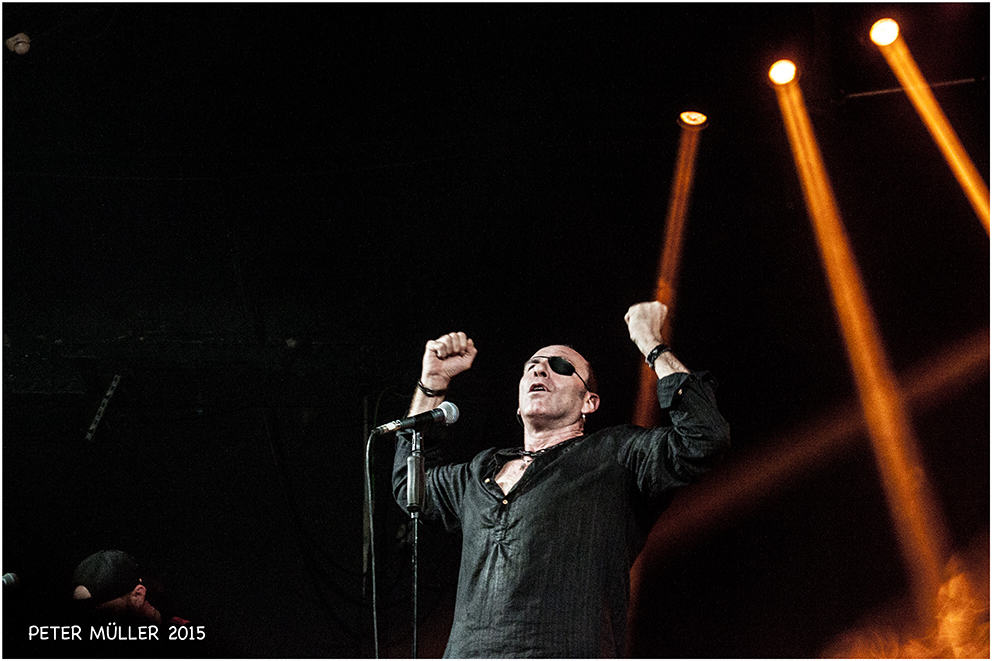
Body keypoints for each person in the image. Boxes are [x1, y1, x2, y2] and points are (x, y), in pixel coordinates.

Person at [392, 301, 731, 657]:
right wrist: (432, 385)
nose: (540, 370)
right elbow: (410, 484)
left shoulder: (617, 454)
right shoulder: (480, 471)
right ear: (518, 405)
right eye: (531, 367)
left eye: (561, 367)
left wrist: (652, 344)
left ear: (589, 402)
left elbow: (704, 437)